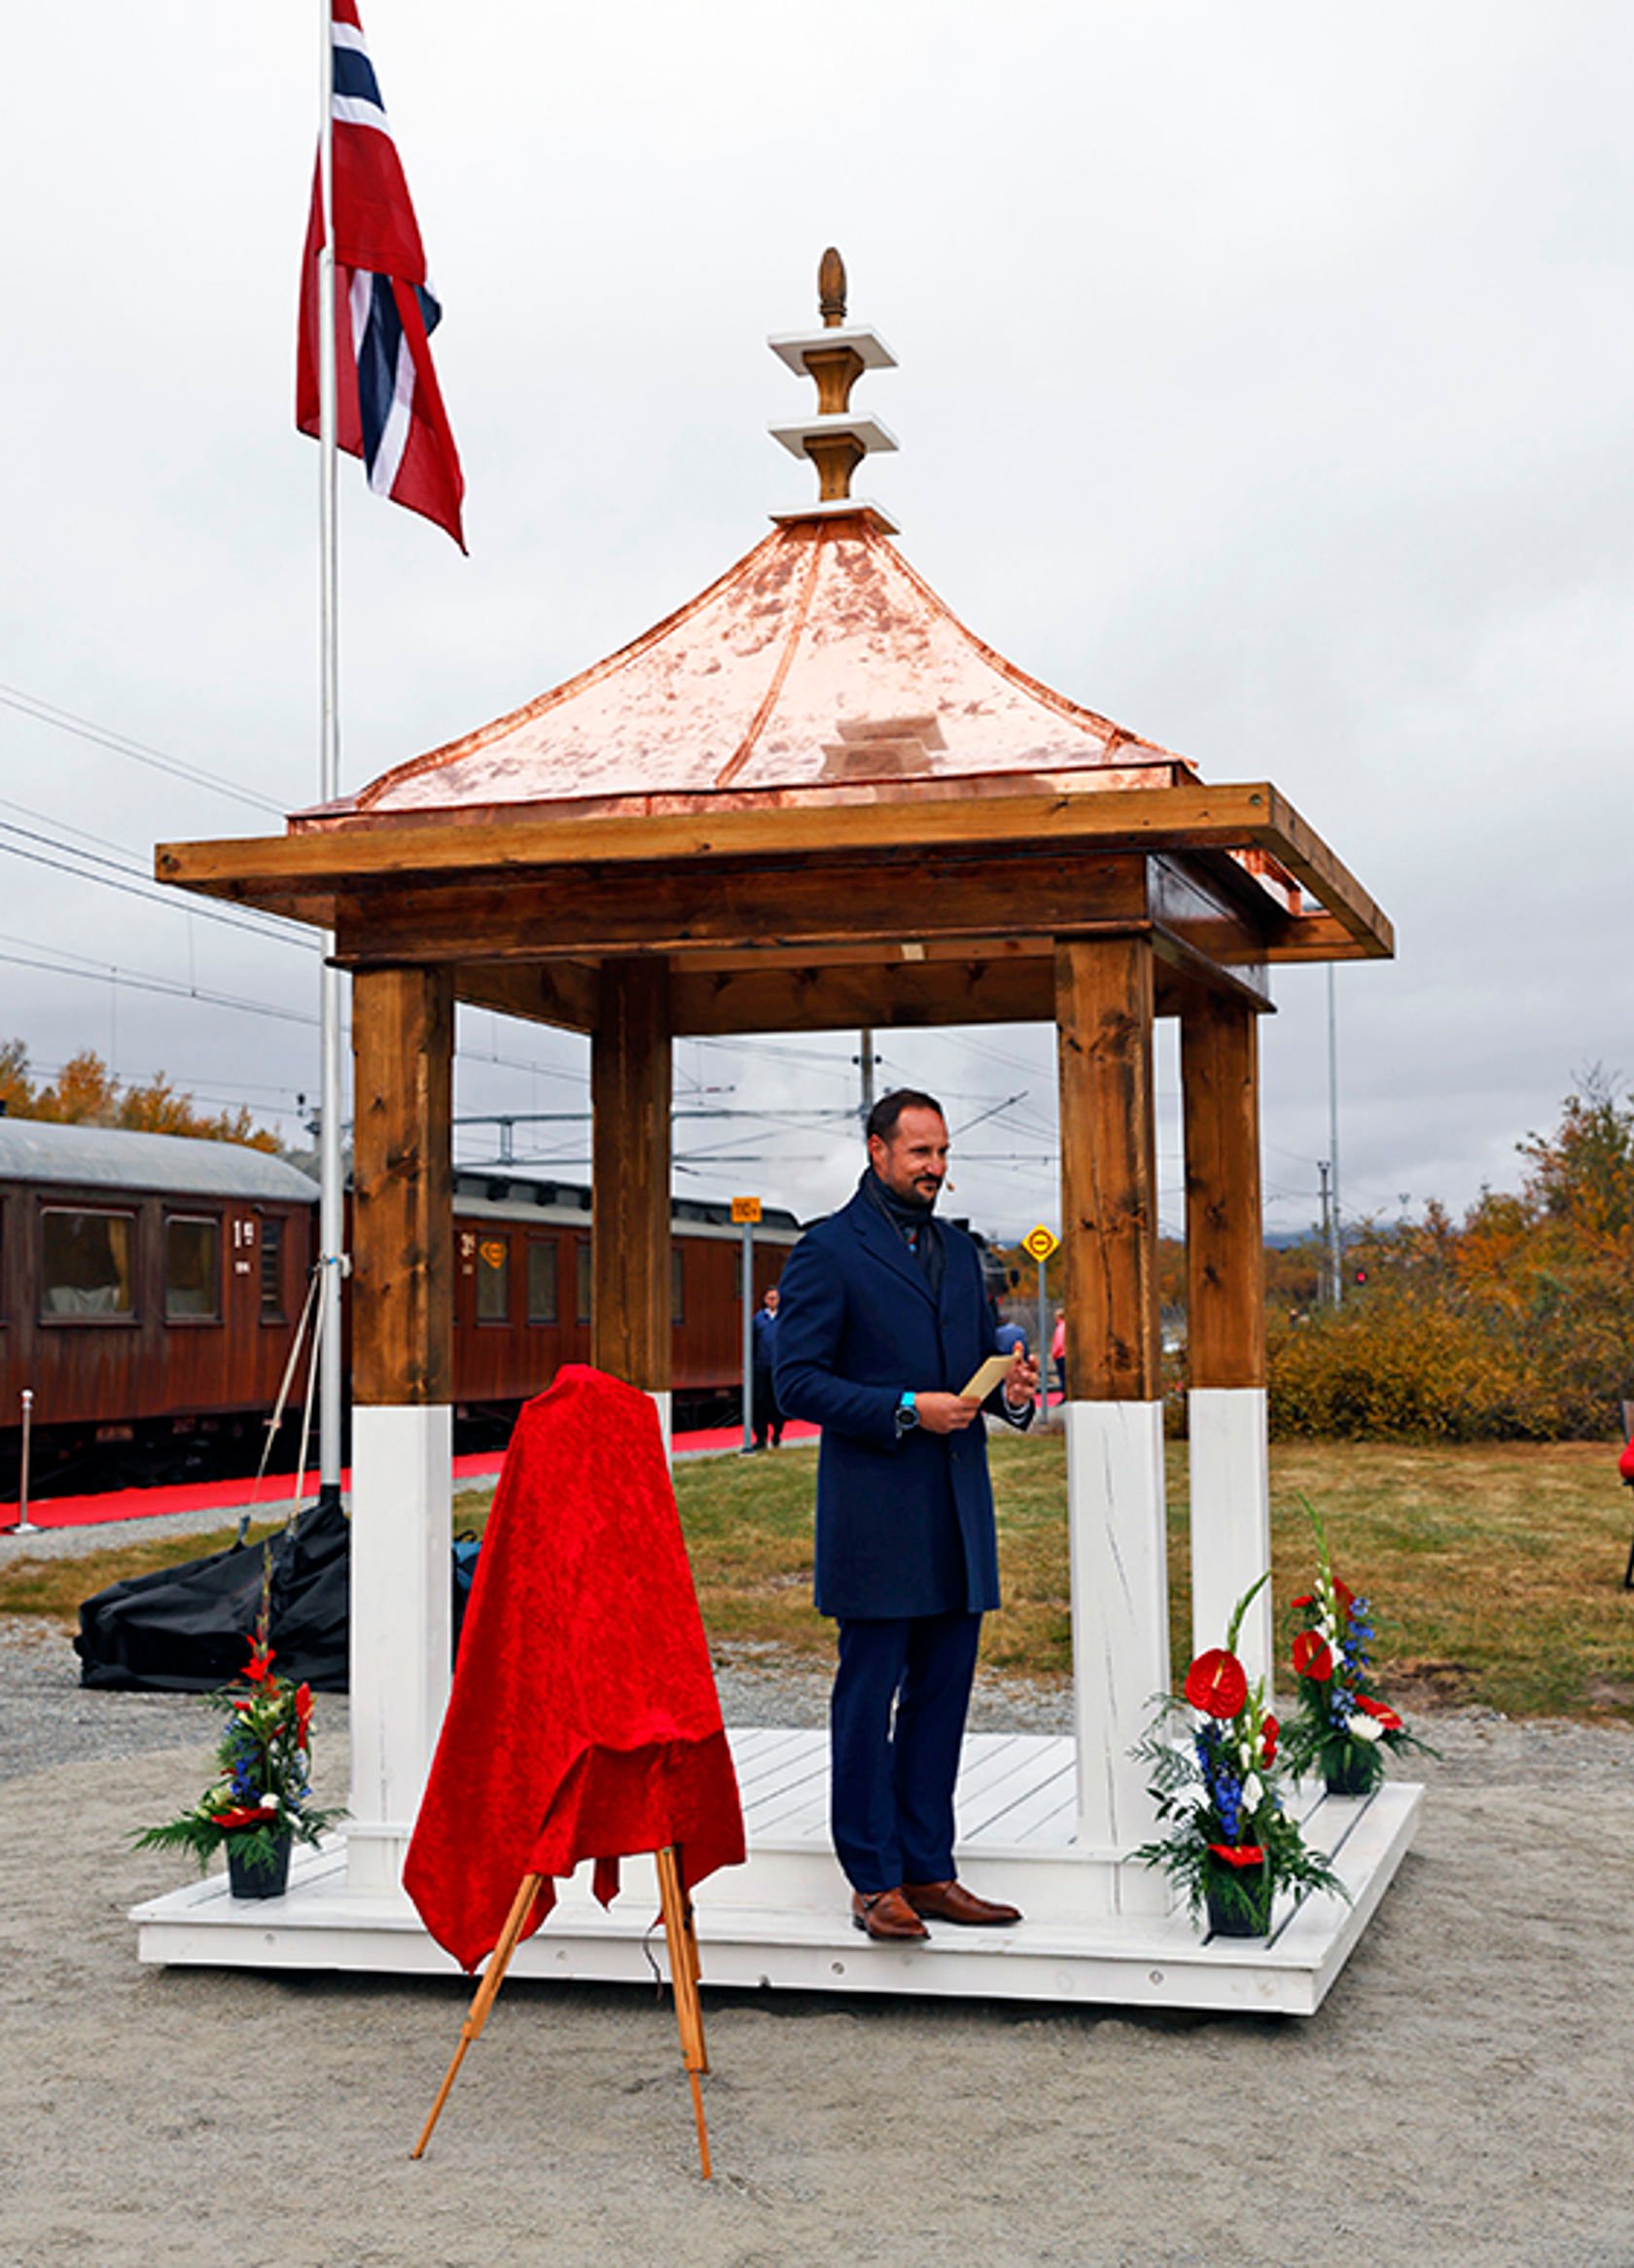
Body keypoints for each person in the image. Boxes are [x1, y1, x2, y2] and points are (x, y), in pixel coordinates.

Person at [773, 1088, 1041, 1942]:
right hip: (876, 1517)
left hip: (958, 1513)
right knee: (868, 1697)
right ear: (877, 1150)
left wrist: (1013, 1394)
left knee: (941, 1699)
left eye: (943, 1152)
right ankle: (872, 1878)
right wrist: (900, 1406)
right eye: (920, 1152)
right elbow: (797, 1383)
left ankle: (929, 1870)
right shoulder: (826, 1252)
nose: (935, 1168)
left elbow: (971, 1366)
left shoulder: (962, 1254)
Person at [750, 1285, 784, 1450]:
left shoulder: (784, 1319)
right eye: (770, 1298)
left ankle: (777, 1434)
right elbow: (752, 1343)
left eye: (775, 1298)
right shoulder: (758, 1320)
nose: (773, 1300)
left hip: (778, 1367)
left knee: (777, 1402)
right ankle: (760, 1437)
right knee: (760, 1402)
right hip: (761, 1367)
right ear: (765, 1300)